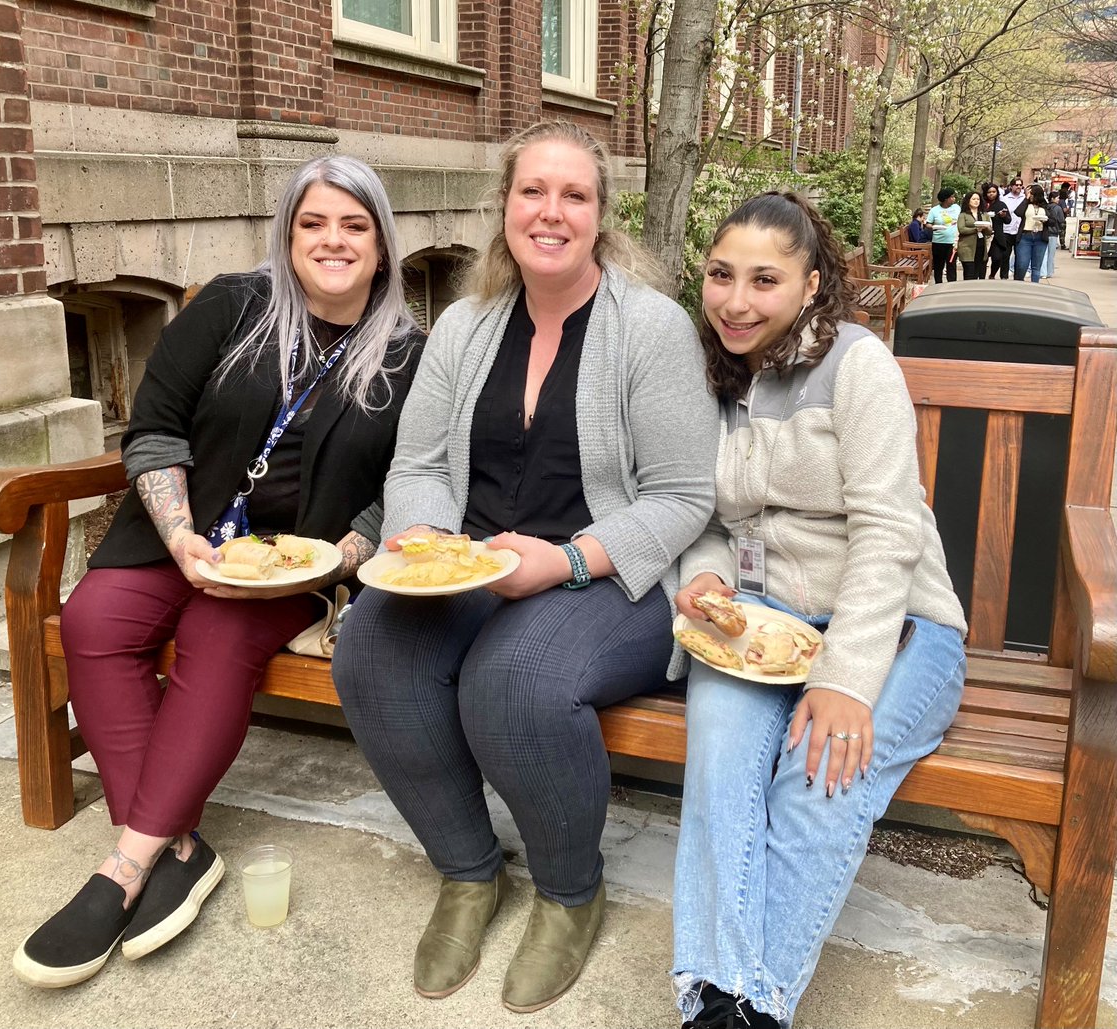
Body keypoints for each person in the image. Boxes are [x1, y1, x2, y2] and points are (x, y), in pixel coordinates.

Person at [332, 120, 719, 1013]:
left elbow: (679, 495)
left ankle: (569, 891)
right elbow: (419, 466)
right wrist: (427, 545)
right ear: (505, 205)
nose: (551, 211)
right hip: (475, 565)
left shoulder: (650, 329)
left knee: (515, 681)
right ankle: (469, 871)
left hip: (612, 576)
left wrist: (567, 559)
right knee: (371, 652)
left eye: (573, 195)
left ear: (600, 215)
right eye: (532, 192)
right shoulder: (465, 326)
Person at [11, 156, 425, 988]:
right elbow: (154, 430)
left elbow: (411, 480)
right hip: (181, 538)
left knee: (215, 630)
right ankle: (181, 846)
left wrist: (345, 554)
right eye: (314, 223)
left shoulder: (412, 354)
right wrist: (178, 536)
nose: (333, 240)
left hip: (293, 564)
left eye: (354, 225)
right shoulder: (232, 308)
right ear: (287, 233)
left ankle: (123, 866)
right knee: (93, 620)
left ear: (382, 246)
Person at [670, 192, 967, 1029]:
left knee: (819, 775)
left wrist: (846, 680)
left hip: (898, 627)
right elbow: (715, 521)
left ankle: (739, 1008)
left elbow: (889, 530)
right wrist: (707, 579)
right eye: (721, 275)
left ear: (809, 286)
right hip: (760, 628)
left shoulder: (858, 365)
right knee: (722, 769)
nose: (736, 299)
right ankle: (723, 1007)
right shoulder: (716, 375)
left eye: (765, 279)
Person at [1014, 183, 1052, 283]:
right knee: (1022, 264)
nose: (1029, 195)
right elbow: (1018, 212)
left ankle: (1034, 287)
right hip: (1025, 236)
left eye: (1031, 193)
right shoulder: (1026, 204)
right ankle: (1019, 284)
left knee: (1036, 267)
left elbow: (1053, 222)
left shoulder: (1045, 206)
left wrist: (1046, 221)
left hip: (1040, 237)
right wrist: (1026, 199)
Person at [992, 177, 1025, 279]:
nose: (1018, 187)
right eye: (1016, 185)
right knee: (1005, 256)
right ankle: (1004, 277)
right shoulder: (1004, 199)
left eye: (1020, 185)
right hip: (1007, 230)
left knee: (1019, 256)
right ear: (1011, 186)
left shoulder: (1024, 198)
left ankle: (1017, 277)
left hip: (1020, 231)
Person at [926, 187, 960, 283]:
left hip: (952, 243)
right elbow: (928, 223)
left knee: (951, 265)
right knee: (938, 266)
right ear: (946, 199)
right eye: (952, 197)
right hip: (938, 242)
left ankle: (951, 286)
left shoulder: (957, 208)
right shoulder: (934, 210)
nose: (954, 199)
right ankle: (938, 285)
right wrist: (933, 227)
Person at [956, 189, 990, 280]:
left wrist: (986, 228)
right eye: (973, 199)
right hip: (967, 248)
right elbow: (961, 229)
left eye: (978, 199)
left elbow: (989, 232)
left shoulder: (984, 214)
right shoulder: (963, 215)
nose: (976, 201)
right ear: (968, 200)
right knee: (969, 273)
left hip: (981, 247)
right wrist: (976, 229)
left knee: (980, 273)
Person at [1043, 193, 1066, 278]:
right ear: (1052, 198)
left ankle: (1043, 271)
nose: (1058, 199)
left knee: (1044, 254)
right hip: (1053, 232)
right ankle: (1049, 272)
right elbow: (1061, 220)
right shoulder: (1058, 208)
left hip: (1045, 232)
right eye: (1057, 198)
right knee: (1051, 254)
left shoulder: (1045, 207)